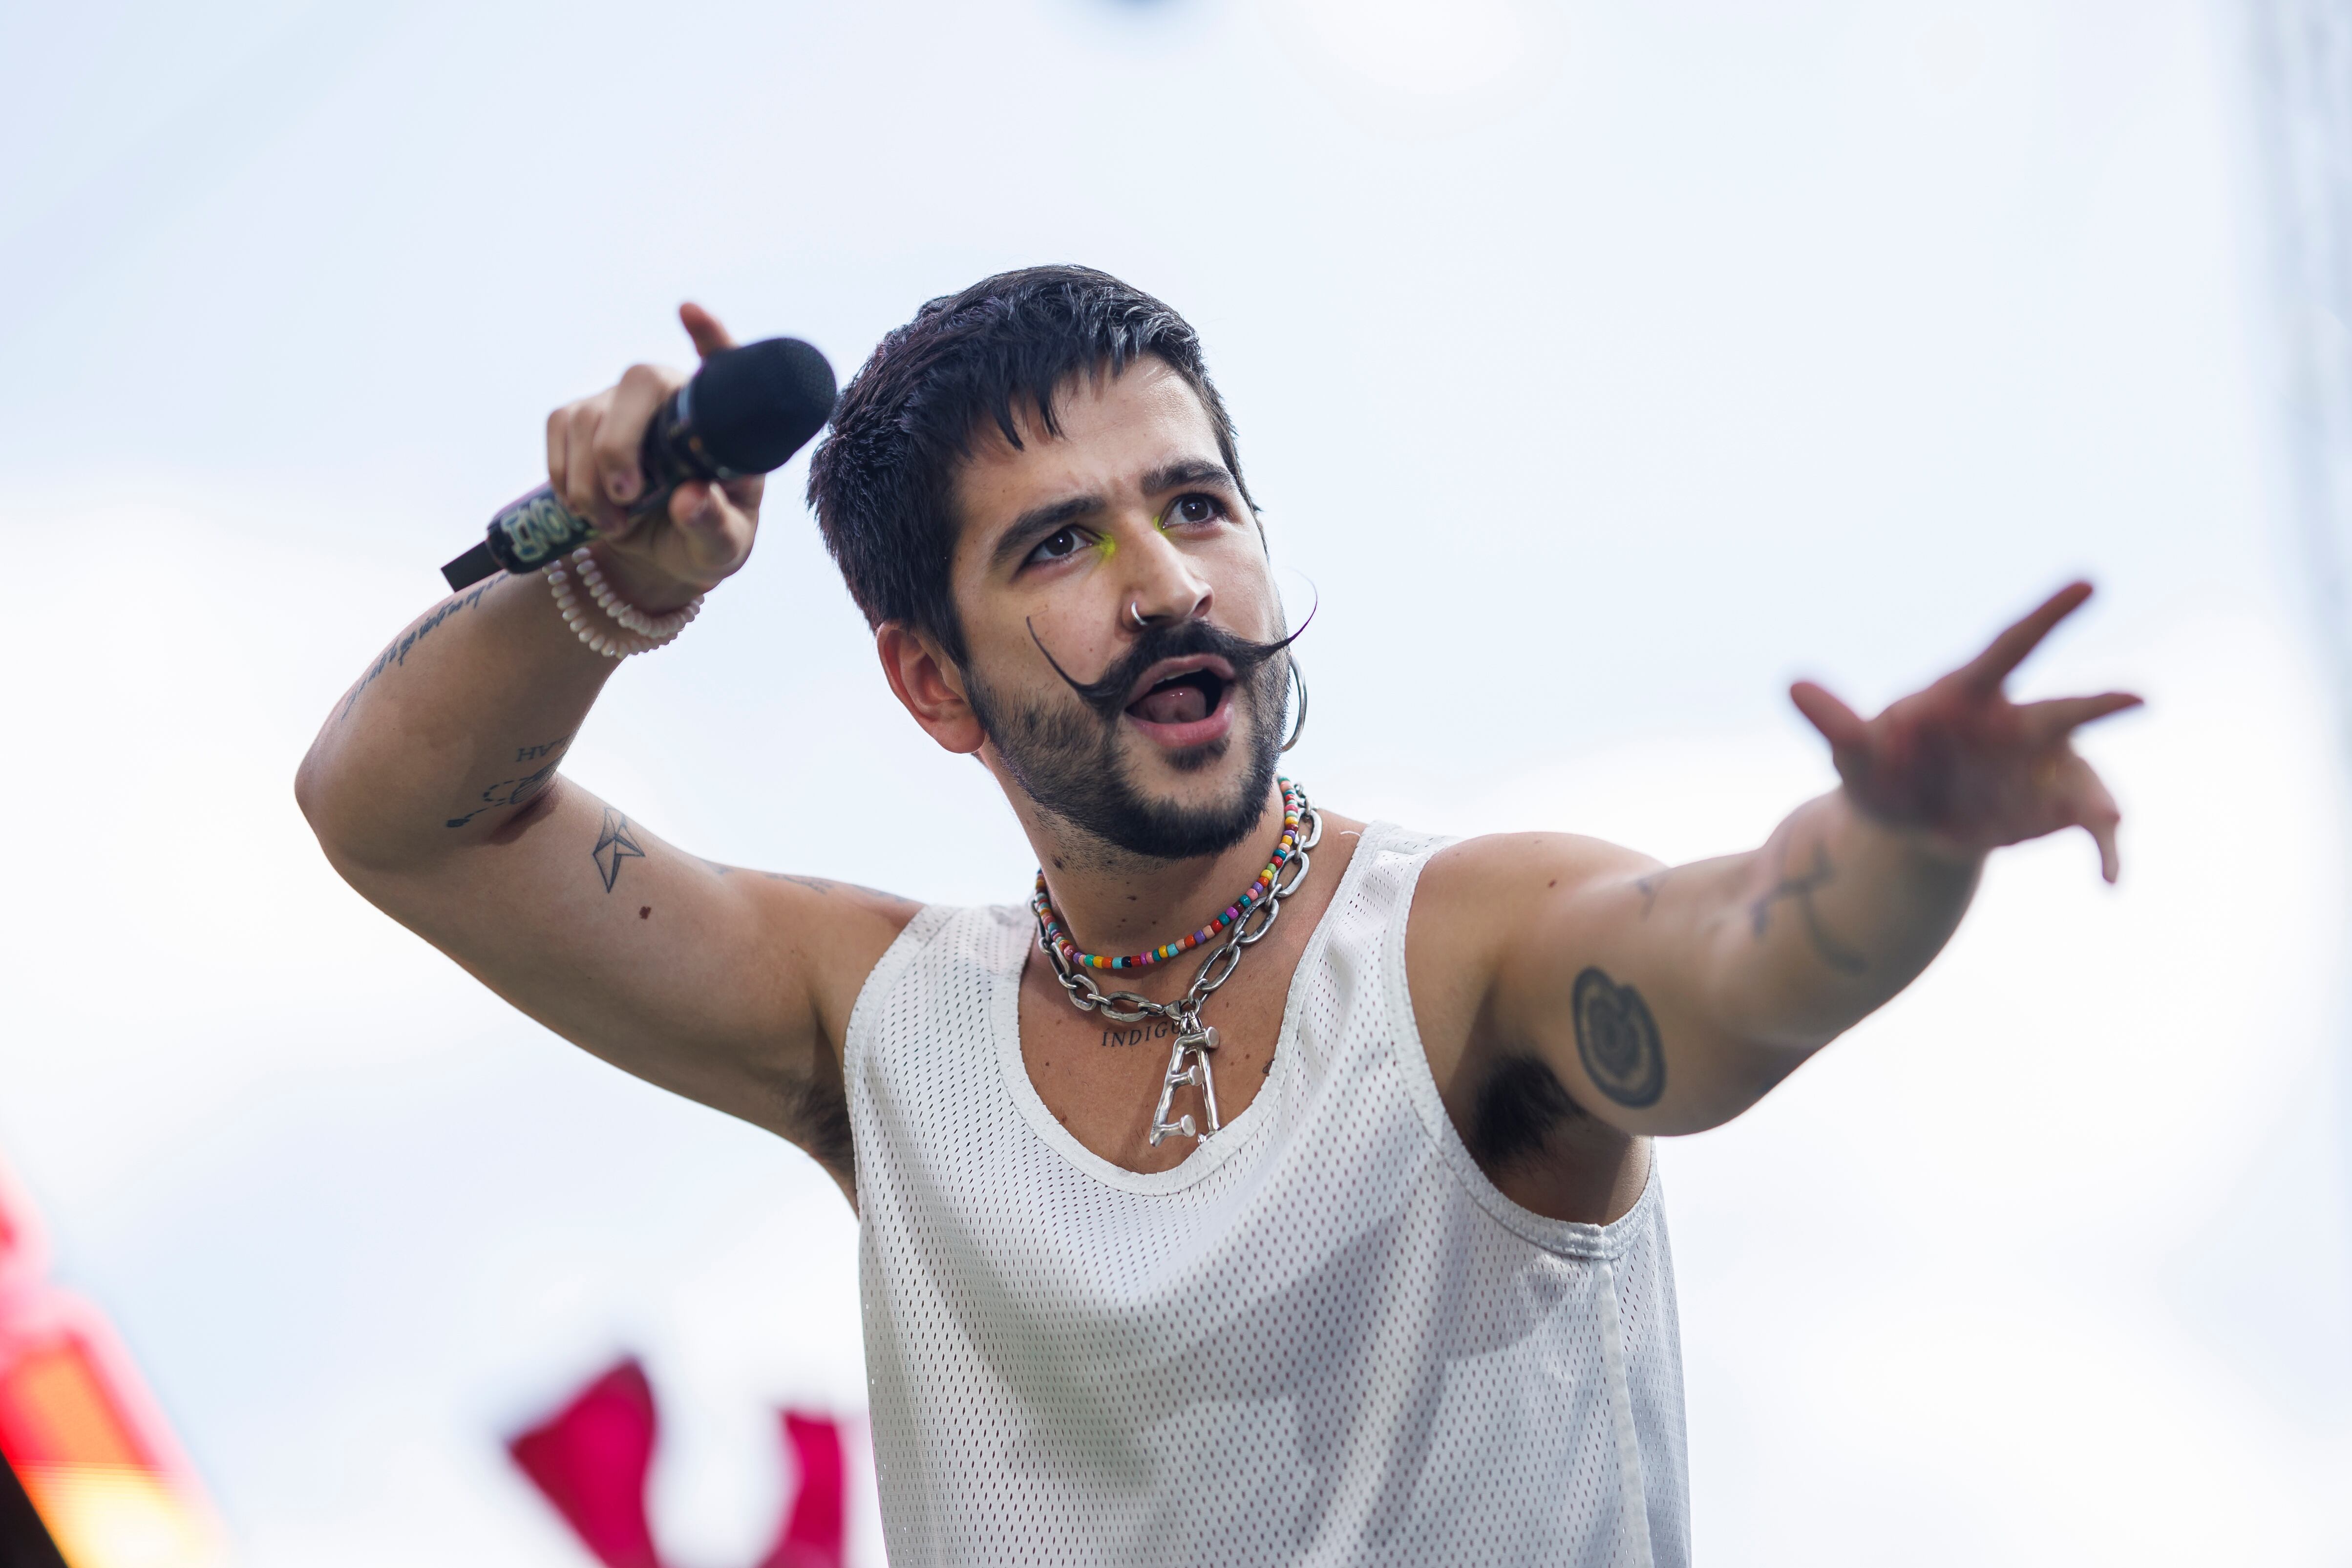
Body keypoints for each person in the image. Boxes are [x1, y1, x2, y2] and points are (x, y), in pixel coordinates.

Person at [297, 266, 2138, 1567]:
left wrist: (1903, 848)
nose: (1171, 582)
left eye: (1197, 503)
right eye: (1059, 541)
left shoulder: (1466, 943)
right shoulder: (877, 1022)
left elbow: (1741, 971)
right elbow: (395, 815)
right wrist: (607, 582)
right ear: (931, 687)